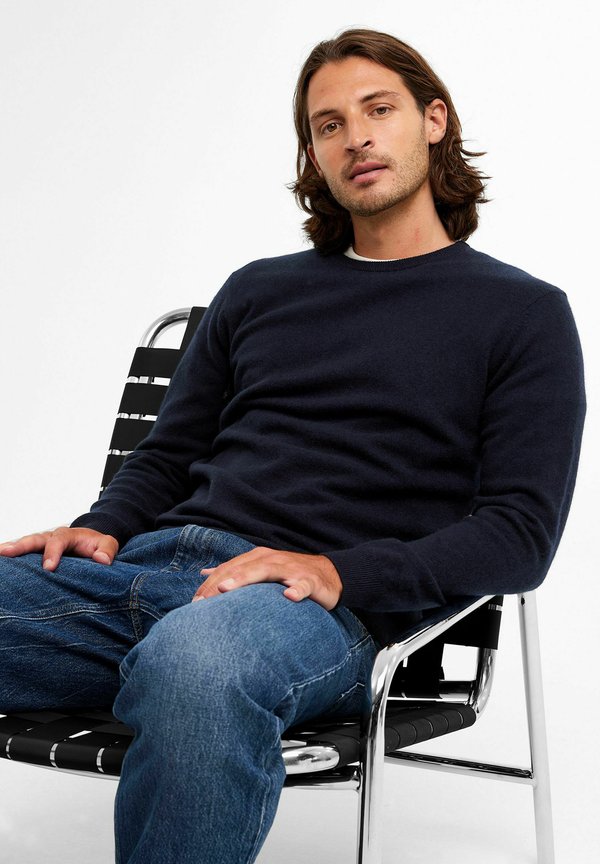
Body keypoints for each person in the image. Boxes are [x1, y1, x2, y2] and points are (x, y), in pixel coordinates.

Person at [0, 27, 585, 864]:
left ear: (434, 120)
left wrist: (338, 571)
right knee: (176, 648)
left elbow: (520, 536)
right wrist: (102, 526)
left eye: (378, 110)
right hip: (144, 575)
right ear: (313, 153)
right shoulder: (257, 291)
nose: (356, 138)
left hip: (315, 612)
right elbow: (166, 457)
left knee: (199, 665)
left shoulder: (524, 314)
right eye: (328, 124)